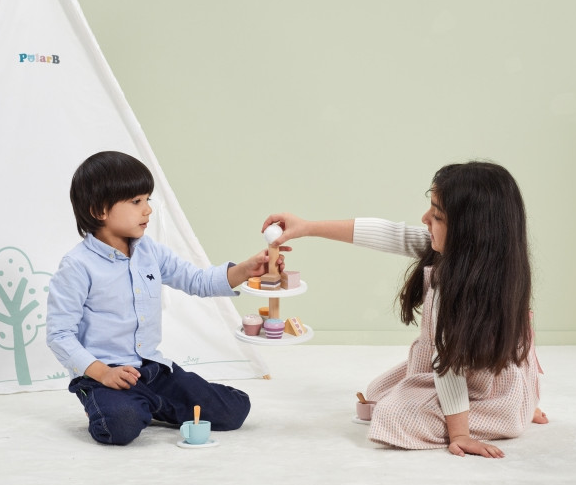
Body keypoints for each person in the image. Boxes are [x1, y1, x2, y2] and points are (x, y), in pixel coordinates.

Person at [262, 161, 547, 457]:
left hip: (460, 375)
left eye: (437, 215)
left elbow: (447, 365)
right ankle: (510, 406)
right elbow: (390, 234)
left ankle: (504, 413)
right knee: (376, 392)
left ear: (469, 232)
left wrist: (460, 434)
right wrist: (307, 227)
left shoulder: (456, 288)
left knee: (393, 415)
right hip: (476, 375)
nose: (424, 219)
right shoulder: (484, 258)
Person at [47, 150, 270, 447]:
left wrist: (246, 269)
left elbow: (197, 280)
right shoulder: (77, 266)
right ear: (99, 210)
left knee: (236, 410)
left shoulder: (149, 251)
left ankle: (151, 403)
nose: (148, 210)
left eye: (147, 199)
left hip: (154, 371)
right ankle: (122, 405)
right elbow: (59, 334)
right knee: (119, 426)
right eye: (136, 201)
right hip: (105, 376)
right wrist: (102, 373)